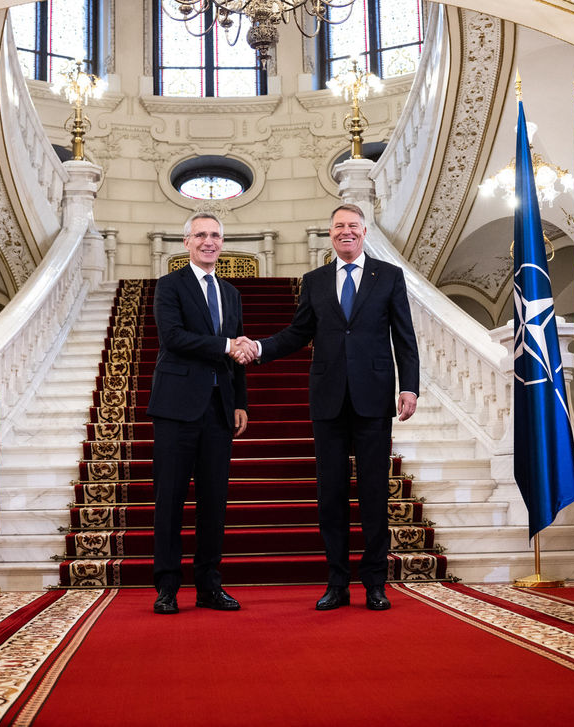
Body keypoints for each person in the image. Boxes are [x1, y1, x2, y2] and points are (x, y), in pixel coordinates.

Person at [235, 203, 418, 611]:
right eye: (339, 227)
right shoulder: (314, 281)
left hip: (373, 400)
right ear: (330, 234)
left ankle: (375, 584)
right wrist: (260, 348)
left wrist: (410, 388)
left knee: (374, 495)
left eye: (353, 226)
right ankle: (337, 583)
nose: (346, 232)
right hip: (328, 400)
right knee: (330, 496)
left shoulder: (388, 277)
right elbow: (299, 333)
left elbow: (404, 337)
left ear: (364, 232)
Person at [146, 212, 250, 615]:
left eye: (216, 236)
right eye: (201, 235)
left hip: (219, 408)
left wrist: (240, 401)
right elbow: (172, 337)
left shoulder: (231, 293)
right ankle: (167, 588)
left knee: (214, 502)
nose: (209, 242)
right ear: (186, 242)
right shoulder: (169, 286)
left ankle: (208, 586)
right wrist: (226, 345)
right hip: (176, 408)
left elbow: (239, 354)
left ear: (222, 243)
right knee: (169, 499)